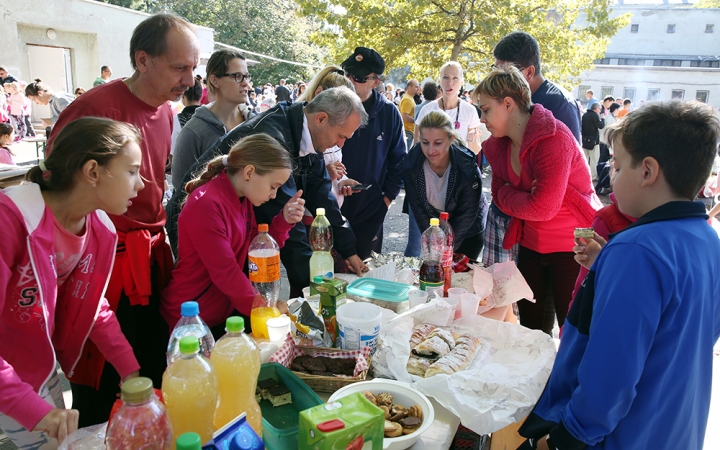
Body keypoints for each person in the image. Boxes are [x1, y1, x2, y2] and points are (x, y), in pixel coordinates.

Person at [519, 101, 720, 450]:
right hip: (675, 430)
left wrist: (562, 439)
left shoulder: (634, 250)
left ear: (647, 172)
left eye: (617, 164)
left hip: (617, 436)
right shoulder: (708, 240)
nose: (611, 173)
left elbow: (608, 376)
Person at [47, 13, 200, 427]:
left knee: (151, 362)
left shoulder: (169, 113)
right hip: (102, 261)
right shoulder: (94, 109)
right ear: (143, 59)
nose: (189, 80)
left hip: (150, 254)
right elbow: (56, 184)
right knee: (102, 376)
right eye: (179, 67)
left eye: (193, 68)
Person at [0, 117, 143, 448]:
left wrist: (129, 367)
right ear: (93, 171)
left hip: (40, 364)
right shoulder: (12, 220)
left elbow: (93, 305)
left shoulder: (98, 229)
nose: (141, 185)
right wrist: (33, 410)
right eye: (132, 171)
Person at [167, 87, 368, 297]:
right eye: (341, 136)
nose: (340, 144)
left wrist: (349, 251)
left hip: (233, 233)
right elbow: (292, 239)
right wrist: (315, 288)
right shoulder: (274, 138)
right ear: (321, 119)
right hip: (198, 240)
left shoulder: (305, 131)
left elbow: (322, 195)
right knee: (218, 286)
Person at [475, 67, 600, 335]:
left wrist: (516, 196)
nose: (482, 119)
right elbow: (499, 195)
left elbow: (542, 207)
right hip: (531, 245)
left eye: (485, 110)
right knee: (530, 330)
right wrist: (525, 197)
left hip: (575, 243)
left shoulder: (554, 137)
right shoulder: (499, 144)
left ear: (508, 104)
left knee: (574, 331)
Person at [162, 134, 304, 333]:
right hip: (188, 319)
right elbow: (226, 272)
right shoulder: (207, 203)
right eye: (273, 186)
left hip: (218, 315)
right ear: (249, 172)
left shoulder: (242, 199)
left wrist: (284, 220)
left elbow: (257, 250)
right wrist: (265, 310)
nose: (274, 195)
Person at [340, 47, 406, 260]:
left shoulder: (389, 113)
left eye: (358, 77)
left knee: (364, 276)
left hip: (370, 210)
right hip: (331, 205)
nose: (350, 80)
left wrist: (385, 201)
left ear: (375, 82)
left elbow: (399, 162)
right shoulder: (332, 106)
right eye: (347, 73)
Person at [402, 111, 486, 259]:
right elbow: (419, 211)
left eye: (438, 143)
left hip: (468, 231)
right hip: (435, 225)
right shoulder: (411, 166)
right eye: (425, 142)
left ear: (451, 139)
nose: (430, 150)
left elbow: (467, 215)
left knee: (459, 278)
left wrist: (445, 251)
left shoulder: (467, 168)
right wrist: (433, 243)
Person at [172, 49, 252, 190]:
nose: (246, 83)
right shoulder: (193, 132)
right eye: (237, 76)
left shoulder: (256, 124)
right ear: (215, 81)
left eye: (247, 76)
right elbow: (181, 190)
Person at [492, 32, 581, 142]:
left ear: (529, 72)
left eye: (506, 73)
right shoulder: (512, 98)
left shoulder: (561, 104)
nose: (498, 79)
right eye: (495, 70)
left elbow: (569, 154)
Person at [581, 102, 605, 180]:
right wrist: (603, 119)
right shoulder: (595, 115)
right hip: (594, 141)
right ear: (597, 108)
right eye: (599, 109)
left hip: (585, 140)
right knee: (594, 160)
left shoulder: (585, 115)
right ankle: (593, 176)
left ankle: (583, 175)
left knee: (584, 159)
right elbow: (600, 126)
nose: (600, 110)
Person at [399, 79, 419, 150]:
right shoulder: (407, 100)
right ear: (410, 87)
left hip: (409, 131)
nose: (418, 89)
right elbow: (404, 116)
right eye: (416, 87)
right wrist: (416, 121)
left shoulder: (409, 98)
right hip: (407, 131)